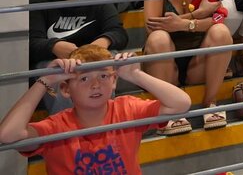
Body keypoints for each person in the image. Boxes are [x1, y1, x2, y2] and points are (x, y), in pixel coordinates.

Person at [0, 46, 191, 173]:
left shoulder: (127, 108)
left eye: (103, 76)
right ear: (65, 90)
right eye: (84, 78)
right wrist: (45, 81)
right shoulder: (55, 126)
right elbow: (9, 135)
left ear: (114, 80)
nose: (95, 85)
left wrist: (136, 75)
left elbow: (180, 103)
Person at [142, 0, 233, 135]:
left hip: (196, 62)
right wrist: (198, 16)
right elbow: (153, 24)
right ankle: (168, 112)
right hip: (162, 61)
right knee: (158, 39)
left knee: (222, 33)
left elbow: (217, 19)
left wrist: (185, 23)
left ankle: (210, 104)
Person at [29, 0, 129, 113]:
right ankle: (65, 132)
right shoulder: (41, 5)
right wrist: (54, 46)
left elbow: (119, 33)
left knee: (108, 60)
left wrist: (100, 44)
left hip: (91, 62)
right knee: (56, 72)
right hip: (58, 63)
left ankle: (103, 124)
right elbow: (32, 43)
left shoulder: (100, 0)